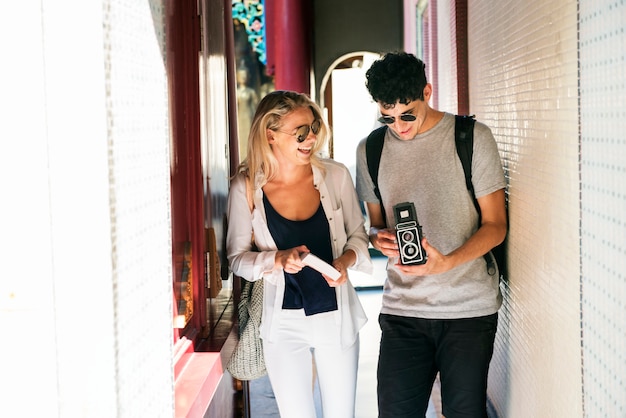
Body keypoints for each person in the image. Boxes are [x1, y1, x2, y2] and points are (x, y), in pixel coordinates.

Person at [355, 52, 507, 417]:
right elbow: (375, 224)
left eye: (408, 114)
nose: (399, 126)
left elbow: (496, 226)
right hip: (402, 309)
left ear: (427, 91)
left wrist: (448, 263)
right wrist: (379, 238)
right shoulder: (371, 150)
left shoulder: (471, 138)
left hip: (468, 310)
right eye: (387, 117)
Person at [227, 90, 373, 418]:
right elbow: (236, 259)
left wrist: (345, 262)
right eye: (301, 132)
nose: (312, 139)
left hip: (336, 317)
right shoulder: (247, 187)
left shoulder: (335, 176)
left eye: (314, 127)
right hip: (283, 323)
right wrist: (275, 260)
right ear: (271, 135)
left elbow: (358, 238)